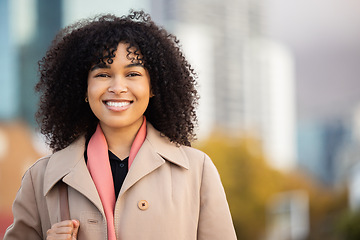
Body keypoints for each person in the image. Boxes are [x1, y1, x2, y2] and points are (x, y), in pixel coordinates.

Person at [4, 10, 237, 240]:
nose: (117, 87)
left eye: (133, 74)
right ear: (83, 89)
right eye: (103, 74)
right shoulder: (40, 177)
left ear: (153, 87)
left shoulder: (197, 170)